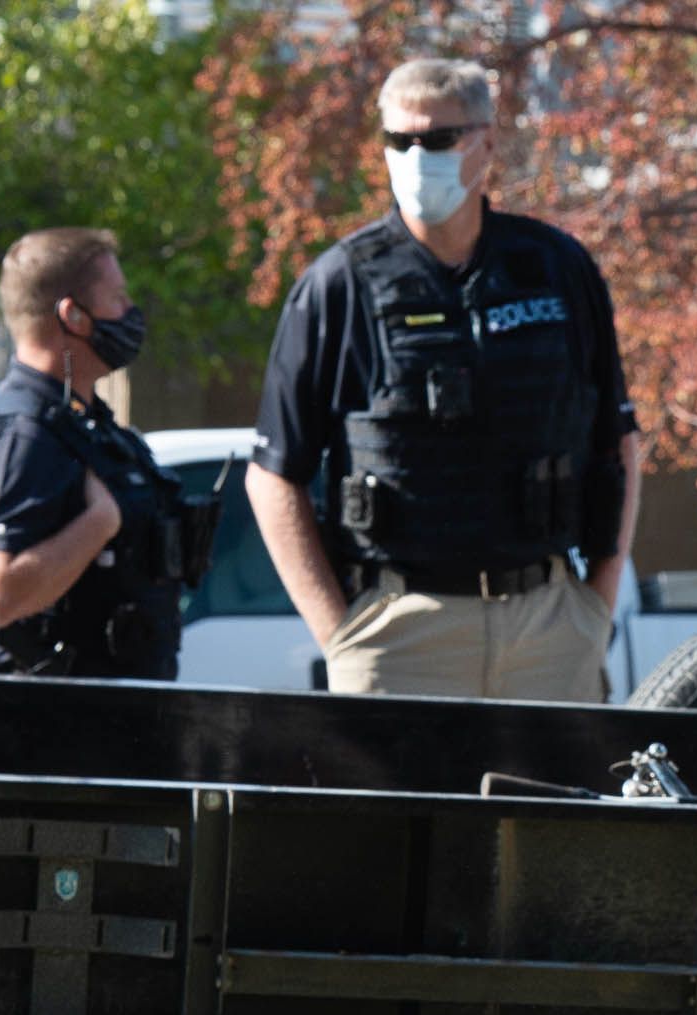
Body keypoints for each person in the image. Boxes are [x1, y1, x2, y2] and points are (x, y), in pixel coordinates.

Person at [245, 56, 642, 701]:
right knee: (404, 808)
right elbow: (271, 474)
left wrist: (596, 604)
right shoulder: (340, 283)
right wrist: (341, 634)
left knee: (554, 804)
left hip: (548, 625)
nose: (415, 156)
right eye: (399, 141)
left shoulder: (556, 269)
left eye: (437, 139)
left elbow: (618, 440)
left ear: (487, 142)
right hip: (400, 632)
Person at [0, 227, 198, 681]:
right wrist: (99, 524)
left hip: (113, 719)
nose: (129, 312)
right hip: (46, 732)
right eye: (118, 297)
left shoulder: (88, 425)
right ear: (73, 316)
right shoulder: (20, 432)